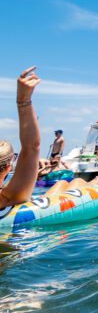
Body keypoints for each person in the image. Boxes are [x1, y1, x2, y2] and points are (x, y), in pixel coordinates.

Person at [0, 67, 41, 209]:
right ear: (7, 167)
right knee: (67, 184)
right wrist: (23, 100)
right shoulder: (8, 196)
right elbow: (31, 147)